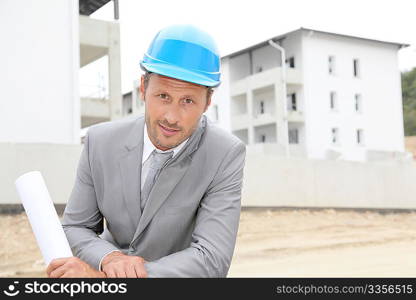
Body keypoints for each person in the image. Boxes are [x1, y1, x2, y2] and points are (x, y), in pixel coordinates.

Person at [46, 24, 246, 278]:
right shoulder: (99, 141)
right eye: (163, 96)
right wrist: (109, 258)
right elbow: (75, 226)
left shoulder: (225, 154)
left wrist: (111, 280)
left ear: (207, 102)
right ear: (143, 87)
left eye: (188, 101)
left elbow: (211, 258)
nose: (172, 117)